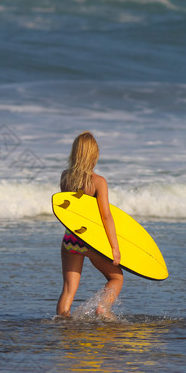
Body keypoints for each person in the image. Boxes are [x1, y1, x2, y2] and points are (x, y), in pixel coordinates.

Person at [56, 131, 122, 319]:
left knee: (68, 289)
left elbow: (67, 210)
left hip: (70, 238)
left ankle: (62, 322)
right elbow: (106, 216)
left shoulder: (65, 177)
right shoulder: (98, 182)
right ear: (94, 154)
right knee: (116, 277)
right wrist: (114, 247)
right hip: (90, 240)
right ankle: (102, 308)